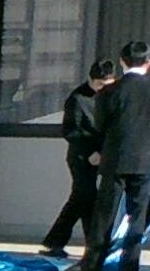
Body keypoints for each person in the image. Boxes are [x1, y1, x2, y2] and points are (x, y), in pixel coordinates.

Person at [77, 41, 150, 271]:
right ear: (148, 63)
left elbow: (99, 125)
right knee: (136, 214)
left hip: (114, 158)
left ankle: (90, 268)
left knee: (104, 213)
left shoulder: (109, 91)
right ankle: (127, 269)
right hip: (143, 157)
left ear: (121, 62)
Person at [40, 57, 119, 257]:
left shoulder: (111, 97)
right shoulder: (78, 99)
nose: (103, 89)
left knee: (86, 200)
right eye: (99, 84)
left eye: (107, 85)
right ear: (91, 80)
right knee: (83, 196)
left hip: (102, 154)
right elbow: (70, 131)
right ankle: (72, 243)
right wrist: (90, 152)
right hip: (81, 156)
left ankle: (75, 244)